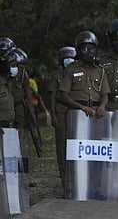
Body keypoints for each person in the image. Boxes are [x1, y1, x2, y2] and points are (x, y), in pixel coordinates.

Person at [59, 31, 110, 200]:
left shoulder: (101, 71)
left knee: (96, 154)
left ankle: (95, 188)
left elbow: (105, 94)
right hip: (76, 115)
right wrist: (80, 107)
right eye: (86, 49)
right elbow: (63, 95)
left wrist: (102, 106)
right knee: (74, 154)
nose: (90, 52)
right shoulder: (71, 69)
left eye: (93, 49)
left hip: (95, 116)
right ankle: (71, 187)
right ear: (79, 50)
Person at [48, 46, 76, 198]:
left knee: (75, 147)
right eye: (66, 58)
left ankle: (76, 181)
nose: (69, 60)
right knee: (62, 148)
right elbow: (52, 97)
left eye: (72, 57)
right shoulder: (57, 76)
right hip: (61, 111)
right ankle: (65, 184)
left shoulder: (77, 73)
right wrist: (53, 115)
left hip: (75, 112)